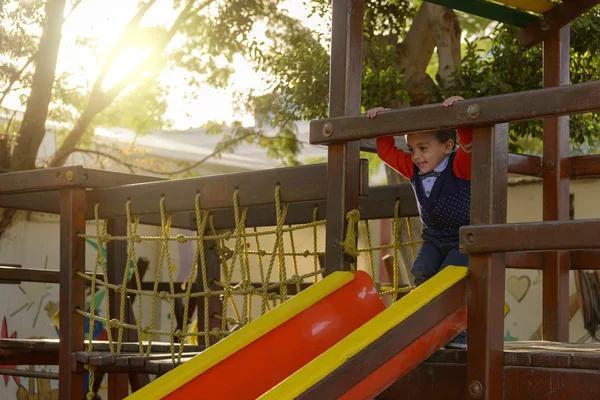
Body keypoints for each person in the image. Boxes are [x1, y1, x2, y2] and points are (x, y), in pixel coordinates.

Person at [367, 96, 471, 349]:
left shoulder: (459, 165)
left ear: (447, 147)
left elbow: (469, 144)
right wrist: (384, 121)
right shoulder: (413, 169)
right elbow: (386, 151)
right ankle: (432, 325)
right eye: (412, 149)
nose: (416, 156)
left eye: (423, 148)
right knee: (421, 270)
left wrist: (460, 114)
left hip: (463, 239)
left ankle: (460, 331)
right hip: (433, 238)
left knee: (451, 277)